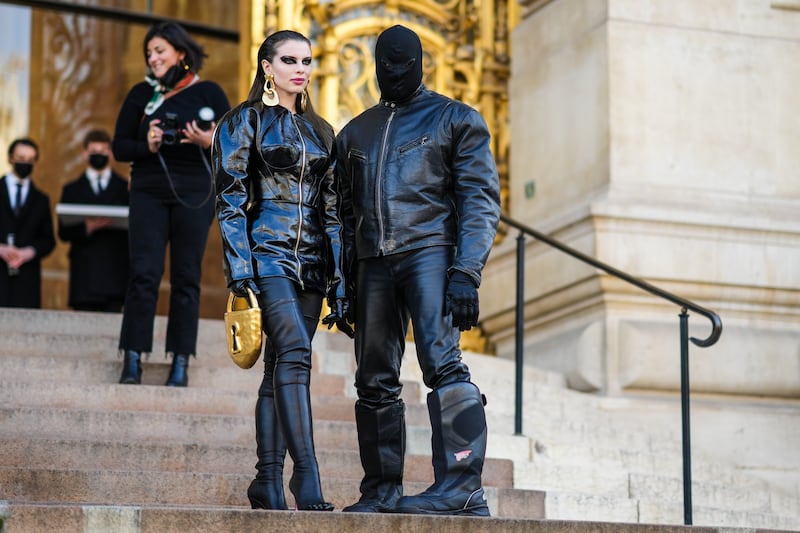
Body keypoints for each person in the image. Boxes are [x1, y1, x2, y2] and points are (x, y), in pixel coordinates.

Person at [335, 25, 501, 516]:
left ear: (421, 62)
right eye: (386, 64)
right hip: (372, 263)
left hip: (431, 251)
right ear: (374, 65)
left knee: (443, 363)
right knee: (373, 379)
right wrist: (343, 286)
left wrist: (466, 270)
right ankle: (381, 491)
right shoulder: (354, 133)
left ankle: (462, 488)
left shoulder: (455, 118)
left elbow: (480, 199)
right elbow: (341, 217)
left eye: (404, 64)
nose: (394, 72)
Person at [213, 30, 350, 512]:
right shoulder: (244, 120)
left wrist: (339, 279)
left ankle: (266, 481)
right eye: (289, 60)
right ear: (267, 67)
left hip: (312, 263)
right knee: (294, 352)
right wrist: (239, 269)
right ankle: (306, 475)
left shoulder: (322, 131)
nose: (300, 69)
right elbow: (229, 200)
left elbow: (333, 212)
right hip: (265, 254)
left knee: (278, 367)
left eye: (306, 61)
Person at [112, 22, 230, 386]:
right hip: (148, 189)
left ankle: (181, 360)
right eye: (149, 53)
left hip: (195, 192)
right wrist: (147, 145)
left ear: (180, 53)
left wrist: (208, 141)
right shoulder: (141, 94)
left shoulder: (209, 91)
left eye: (159, 51)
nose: (153, 58)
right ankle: (133, 357)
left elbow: (233, 146)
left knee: (186, 276)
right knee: (143, 273)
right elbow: (119, 147)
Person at [58, 129, 130, 312]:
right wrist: (87, 228)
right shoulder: (72, 189)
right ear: (85, 154)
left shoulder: (126, 188)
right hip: (84, 277)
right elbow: (63, 232)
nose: (99, 155)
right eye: (94, 151)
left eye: (103, 151)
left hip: (115, 274)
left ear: (110, 153)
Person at [0, 137, 56, 308]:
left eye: (30, 160)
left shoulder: (41, 199)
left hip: (26, 284)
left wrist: (27, 253)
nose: (25, 164)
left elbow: (48, 240)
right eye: (21, 158)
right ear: (10, 158)